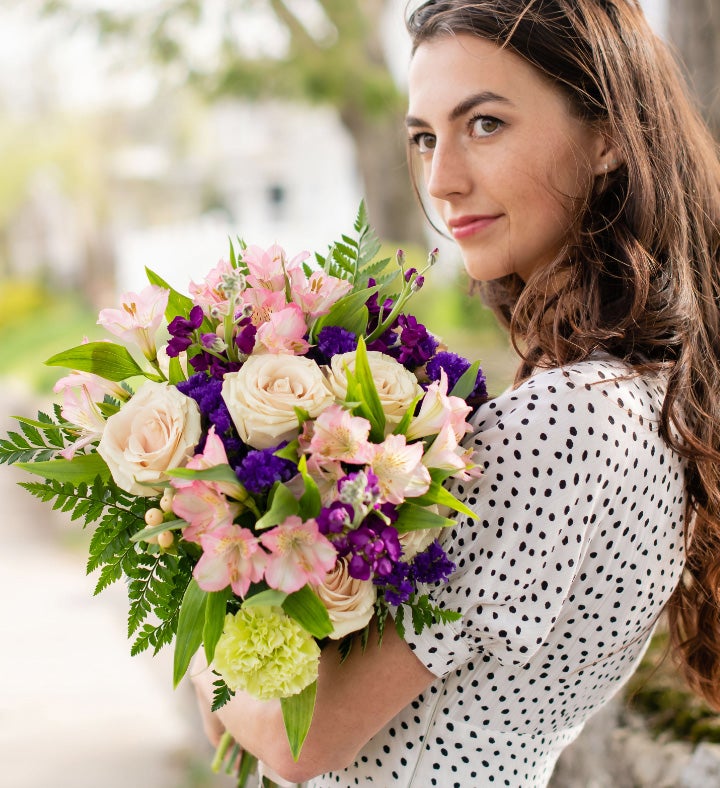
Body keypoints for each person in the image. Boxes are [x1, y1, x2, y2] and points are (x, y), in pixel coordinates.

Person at [191, 1, 720, 785]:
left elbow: (302, 742)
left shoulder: (565, 420)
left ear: (608, 136)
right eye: (425, 137)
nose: (442, 180)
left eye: (485, 124)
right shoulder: (639, 392)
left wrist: (204, 635)